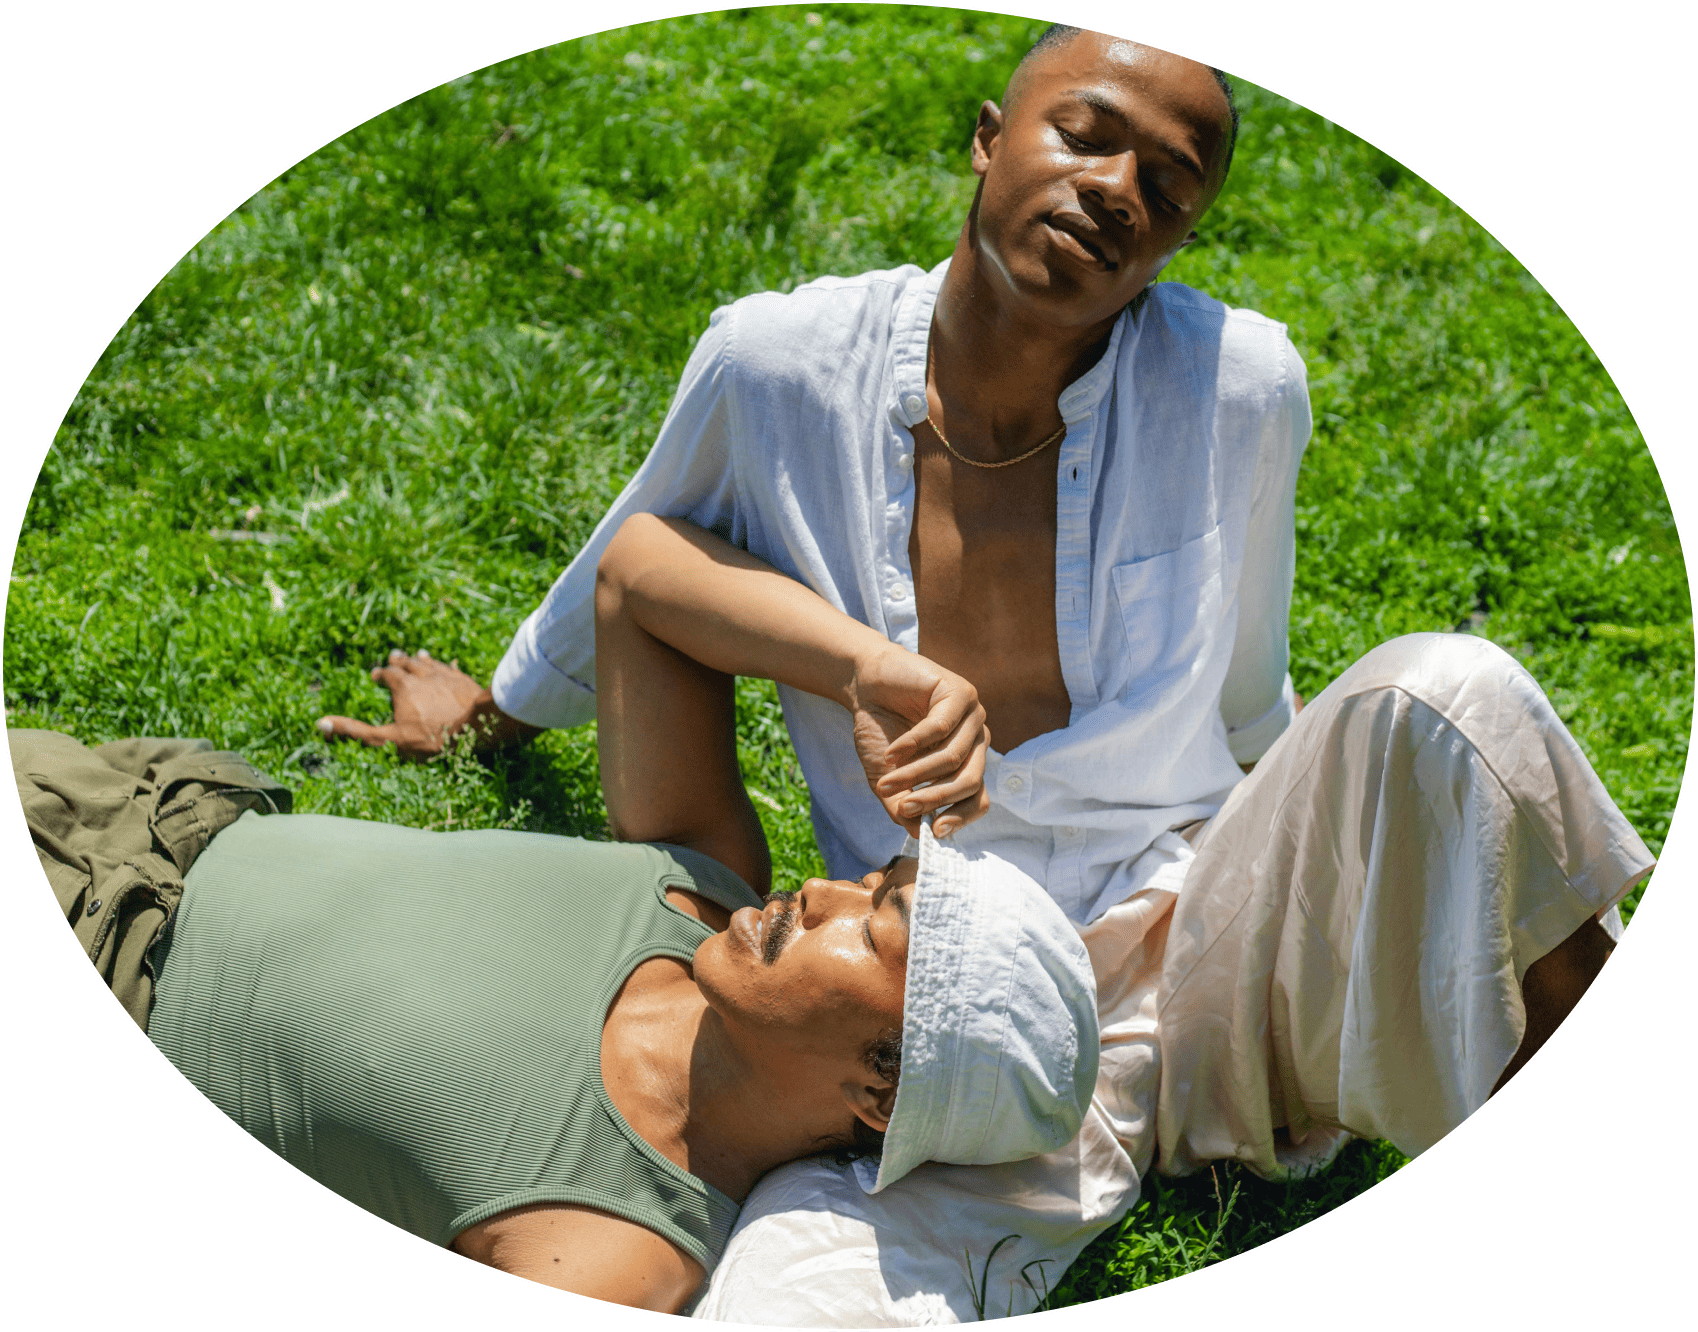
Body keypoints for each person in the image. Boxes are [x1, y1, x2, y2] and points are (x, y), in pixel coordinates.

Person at [313, 24, 1654, 1324]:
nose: (1115, 191)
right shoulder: (779, 366)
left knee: (1452, 693)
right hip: (934, 1008)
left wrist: (1352, 883)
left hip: (1198, 934)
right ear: (988, 137)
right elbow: (640, 554)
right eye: (1087, 135)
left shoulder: (1239, 385)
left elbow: (1251, 701)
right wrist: (496, 713)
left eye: (1168, 185)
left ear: (1181, 233)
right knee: (792, 1289)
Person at [12, 513, 1100, 1315]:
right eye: (873, 881)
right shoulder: (703, 886)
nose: (821, 890)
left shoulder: (618, 1246)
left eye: (871, 927)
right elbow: (639, 576)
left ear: (880, 1087)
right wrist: (866, 666)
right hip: (148, 810)